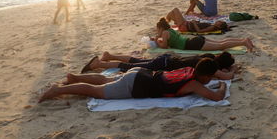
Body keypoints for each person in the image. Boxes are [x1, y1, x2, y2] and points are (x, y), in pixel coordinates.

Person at [38, 58, 228, 102]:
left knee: (105, 80)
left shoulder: (188, 69)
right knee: (98, 92)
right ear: (205, 75)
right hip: (137, 84)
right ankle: (58, 90)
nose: (209, 80)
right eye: (210, 77)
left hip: (141, 73)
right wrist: (221, 85)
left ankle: (74, 77)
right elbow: (217, 97)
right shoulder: (195, 83)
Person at [82, 51, 238, 80]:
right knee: (128, 67)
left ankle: (109, 56)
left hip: (167, 60)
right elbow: (228, 76)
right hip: (164, 65)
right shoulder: (211, 66)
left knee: (135, 61)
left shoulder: (209, 57)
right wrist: (233, 69)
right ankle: (99, 63)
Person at [154, 18, 254, 52]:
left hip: (192, 44)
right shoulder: (170, 30)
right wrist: (159, 38)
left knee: (220, 46)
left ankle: (244, 42)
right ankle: (243, 40)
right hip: (194, 40)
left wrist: (156, 41)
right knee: (220, 43)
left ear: (161, 28)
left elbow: (165, 46)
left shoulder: (164, 33)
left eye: (157, 29)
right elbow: (169, 40)